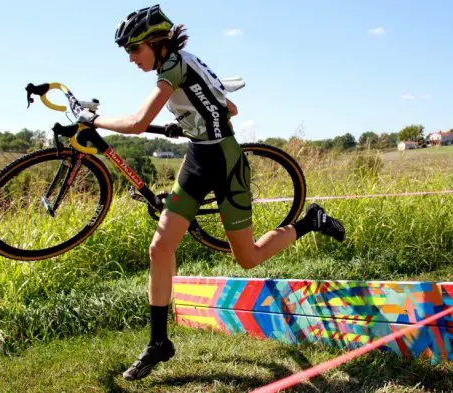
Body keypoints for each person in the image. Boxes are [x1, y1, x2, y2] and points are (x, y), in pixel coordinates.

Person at [76, 4, 346, 381]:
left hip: (227, 163)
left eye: (133, 50)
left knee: (248, 258)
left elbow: (138, 123)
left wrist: (94, 120)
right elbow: (229, 106)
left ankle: (310, 221)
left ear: (155, 44)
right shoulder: (181, 63)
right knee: (160, 246)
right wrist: (191, 120)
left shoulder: (174, 67)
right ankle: (158, 342)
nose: (131, 59)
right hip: (197, 160)